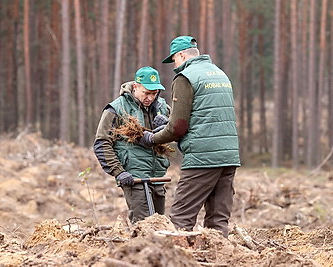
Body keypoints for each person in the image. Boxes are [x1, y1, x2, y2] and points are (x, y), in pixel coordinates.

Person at [139, 36, 241, 237]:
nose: (175, 66)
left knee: (181, 218)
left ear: (182, 55)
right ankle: (220, 257)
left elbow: (178, 127)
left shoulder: (186, 78)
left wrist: (152, 138)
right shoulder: (220, 74)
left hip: (203, 158)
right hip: (229, 157)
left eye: (174, 60)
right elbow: (207, 117)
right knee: (218, 221)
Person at [94, 66, 170, 223]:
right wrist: (119, 172)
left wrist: (169, 124)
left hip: (158, 177)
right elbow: (102, 144)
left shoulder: (162, 107)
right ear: (135, 86)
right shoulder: (117, 108)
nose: (150, 97)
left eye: (154, 93)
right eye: (146, 93)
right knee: (143, 225)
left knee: (160, 224)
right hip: (134, 177)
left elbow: (178, 131)